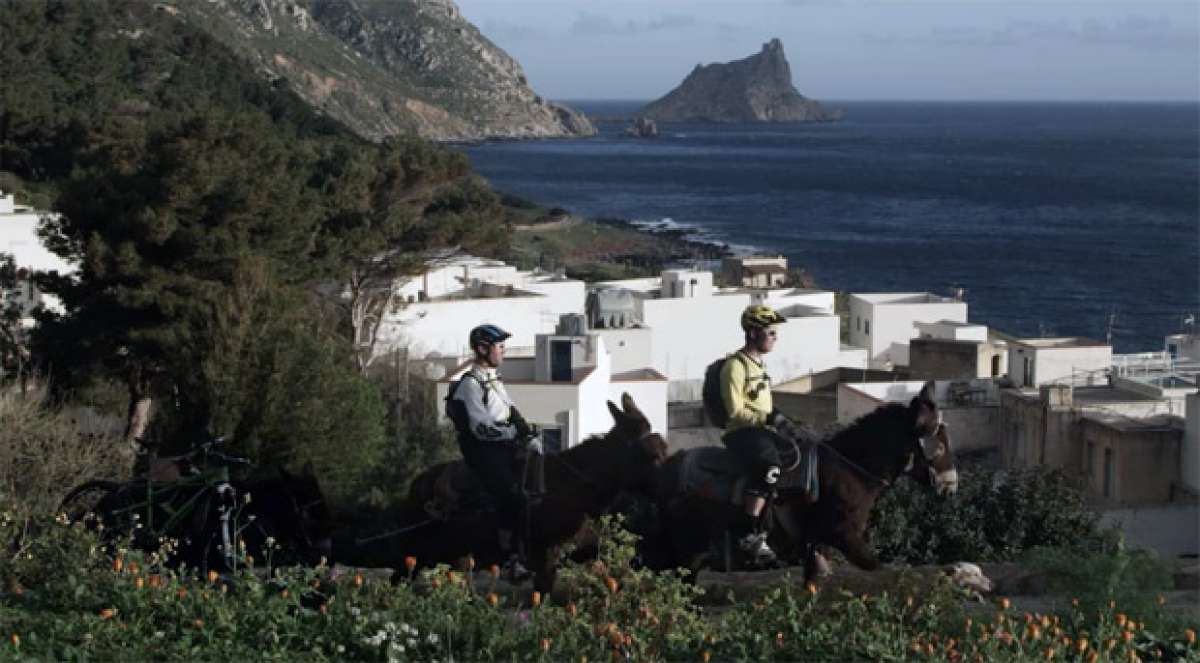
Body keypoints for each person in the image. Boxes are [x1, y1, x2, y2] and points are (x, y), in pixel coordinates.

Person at [448, 323, 538, 581]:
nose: (503, 352)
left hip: (504, 447)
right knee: (514, 497)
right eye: (500, 347)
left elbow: (510, 411)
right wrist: (512, 434)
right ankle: (512, 560)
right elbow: (481, 428)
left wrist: (527, 433)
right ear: (482, 349)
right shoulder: (471, 385)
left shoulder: (493, 380)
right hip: (484, 453)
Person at [719, 304, 803, 568]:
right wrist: (767, 419)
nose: (775, 338)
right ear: (753, 333)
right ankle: (749, 532)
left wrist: (782, 420)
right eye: (771, 333)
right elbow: (735, 410)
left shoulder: (759, 365)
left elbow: (763, 405)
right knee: (771, 467)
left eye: (775, 333)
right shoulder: (735, 366)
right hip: (742, 432)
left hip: (762, 430)